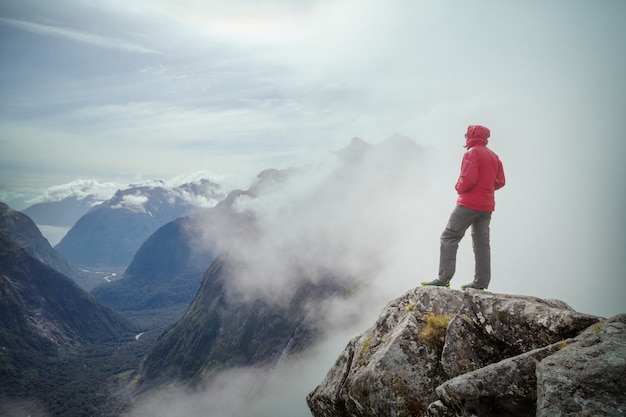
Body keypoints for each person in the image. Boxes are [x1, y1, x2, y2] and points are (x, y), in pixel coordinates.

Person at [422, 124, 505, 290]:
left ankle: (443, 279)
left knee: (449, 236)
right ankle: (480, 283)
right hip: (487, 206)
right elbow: (501, 181)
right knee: (481, 243)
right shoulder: (494, 156)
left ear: (470, 136)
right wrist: (486, 190)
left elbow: (468, 178)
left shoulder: (471, 153)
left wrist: (458, 187)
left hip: (468, 204)